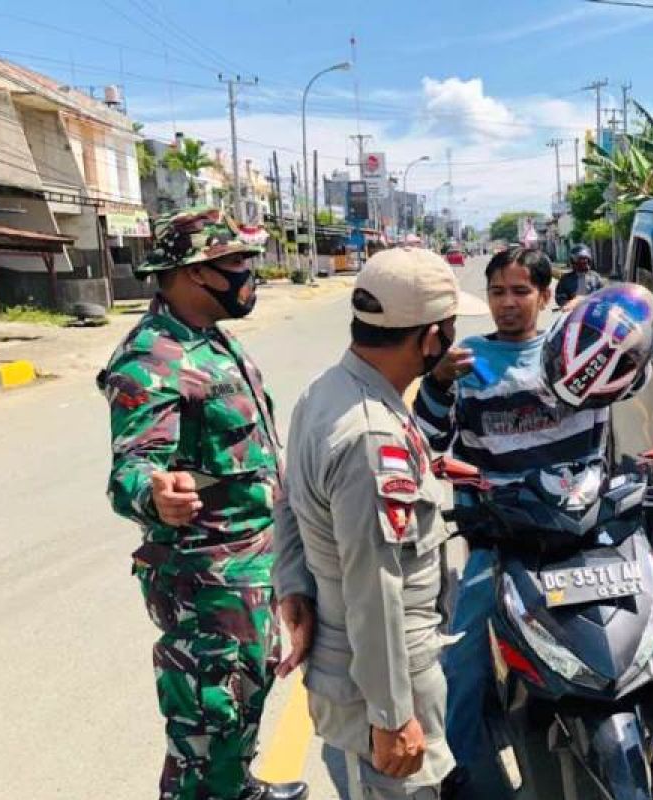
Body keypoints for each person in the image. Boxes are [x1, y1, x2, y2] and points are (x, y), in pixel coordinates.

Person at [413, 247, 653, 799]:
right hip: (505, 533)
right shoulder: (465, 362)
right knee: (461, 657)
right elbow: (426, 438)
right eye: (497, 292)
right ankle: (462, 775)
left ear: (545, 296)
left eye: (521, 292)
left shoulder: (581, 347)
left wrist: (620, 323)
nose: (508, 304)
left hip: (590, 526)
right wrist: (438, 383)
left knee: (646, 639)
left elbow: (632, 372)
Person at [98, 207, 308, 800]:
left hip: (249, 564)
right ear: (194, 272)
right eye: (238, 262)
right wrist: (155, 495)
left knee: (240, 703)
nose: (251, 275)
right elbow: (131, 470)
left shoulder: (212, 341)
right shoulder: (152, 359)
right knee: (208, 716)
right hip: (204, 578)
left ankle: (234, 786)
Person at [275, 246, 460, 800]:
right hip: (382, 676)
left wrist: (294, 585)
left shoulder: (326, 391)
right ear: (429, 338)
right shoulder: (369, 434)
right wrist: (391, 714)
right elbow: (374, 585)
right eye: (448, 330)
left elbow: (286, 497)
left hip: (358, 667)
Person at [554, 243, 604, 310]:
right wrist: (570, 303)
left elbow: (603, 296)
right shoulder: (565, 279)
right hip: (574, 314)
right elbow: (560, 298)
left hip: (593, 312)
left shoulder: (596, 277)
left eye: (586, 259)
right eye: (581, 259)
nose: (584, 261)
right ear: (573, 261)